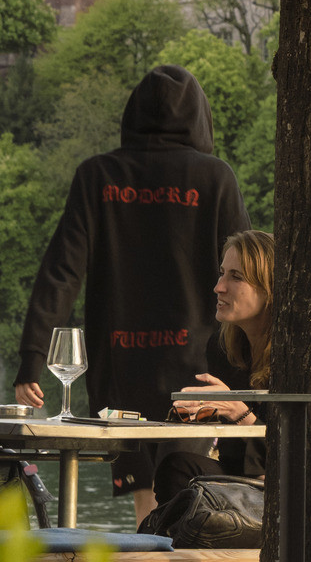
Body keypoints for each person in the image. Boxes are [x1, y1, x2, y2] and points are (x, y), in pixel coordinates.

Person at [14, 65, 250, 522]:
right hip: (199, 368)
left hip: (120, 368)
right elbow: (246, 275)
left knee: (148, 500)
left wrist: (32, 359)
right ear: (200, 118)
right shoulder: (215, 178)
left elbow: (61, 271)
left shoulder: (98, 176)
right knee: (190, 490)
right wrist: (252, 368)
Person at [150, 230, 274, 508]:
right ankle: (165, 544)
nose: (219, 286)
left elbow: (293, 456)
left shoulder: (294, 357)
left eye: (236, 277)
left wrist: (238, 412)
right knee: (178, 467)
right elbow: (231, 456)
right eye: (222, 273)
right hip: (244, 481)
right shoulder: (222, 348)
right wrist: (201, 414)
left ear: (269, 289)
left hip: (282, 489)